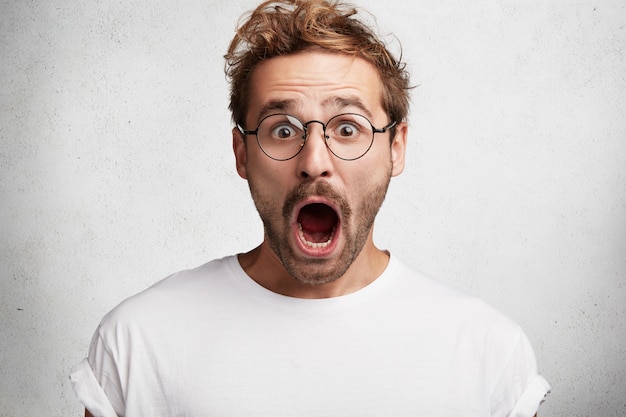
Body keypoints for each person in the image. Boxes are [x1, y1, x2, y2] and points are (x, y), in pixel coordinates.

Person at [70, 0, 550, 416]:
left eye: (347, 128)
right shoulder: (139, 342)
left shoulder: (488, 353)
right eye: (283, 129)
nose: (314, 162)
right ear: (242, 154)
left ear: (396, 148)